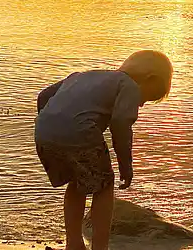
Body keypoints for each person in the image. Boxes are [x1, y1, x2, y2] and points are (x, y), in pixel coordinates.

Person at [35, 50, 173, 250]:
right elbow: (120, 124)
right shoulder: (129, 86)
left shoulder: (82, 76)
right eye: (147, 97)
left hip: (43, 131)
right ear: (148, 78)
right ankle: (100, 247)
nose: (141, 104)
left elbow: (44, 96)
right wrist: (126, 165)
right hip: (80, 133)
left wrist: (53, 125)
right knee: (105, 186)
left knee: (76, 182)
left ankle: (73, 243)